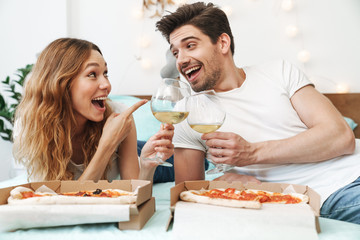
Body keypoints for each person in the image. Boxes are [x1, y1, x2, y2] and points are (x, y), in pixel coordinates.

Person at [156, 2, 360, 224]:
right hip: (334, 192)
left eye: (191, 46)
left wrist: (252, 153)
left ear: (223, 43)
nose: (181, 60)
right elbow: (188, 198)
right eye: (175, 52)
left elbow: (341, 137)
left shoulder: (278, 71)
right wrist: (217, 185)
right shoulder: (186, 116)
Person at [12, 38, 174, 182]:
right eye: (92, 74)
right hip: (113, 140)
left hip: (134, 148)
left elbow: (134, 194)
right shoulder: (31, 128)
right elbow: (61, 205)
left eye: (105, 73)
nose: (107, 85)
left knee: (185, 157)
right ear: (61, 83)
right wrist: (107, 144)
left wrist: (146, 165)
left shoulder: (120, 116)